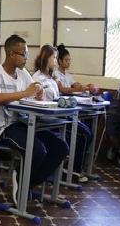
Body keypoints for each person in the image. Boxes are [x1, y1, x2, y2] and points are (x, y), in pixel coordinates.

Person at [0, 35, 69, 205]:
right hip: (3, 128)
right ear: (10, 54)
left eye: (27, 54)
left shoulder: (23, 73)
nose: (26, 58)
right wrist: (26, 93)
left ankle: (26, 182)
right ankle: (22, 183)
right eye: (23, 54)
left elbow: (35, 89)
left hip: (24, 124)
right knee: (38, 150)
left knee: (60, 147)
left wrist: (39, 91)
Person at [32, 44, 91, 183]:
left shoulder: (51, 77)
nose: (56, 61)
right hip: (46, 118)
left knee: (85, 132)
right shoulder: (37, 77)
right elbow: (38, 98)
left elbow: (57, 95)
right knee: (82, 134)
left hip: (58, 115)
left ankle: (71, 169)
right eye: (54, 58)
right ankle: (73, 171)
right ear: (46, 59)